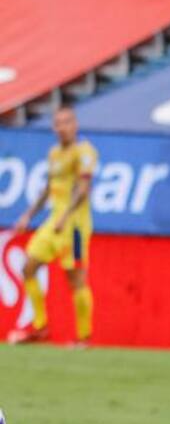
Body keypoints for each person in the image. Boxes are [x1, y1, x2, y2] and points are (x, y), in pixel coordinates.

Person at [8, 105, 97, 346]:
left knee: (75, 279)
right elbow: (48, 189)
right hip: (52, 223)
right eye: (58, 123)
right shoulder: (54, 154)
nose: (62, 128)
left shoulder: (84, 151)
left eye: (66, 122)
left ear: (75, 124)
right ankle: (40, 327)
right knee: (28, 268)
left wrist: (66, 216)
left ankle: (84, 338)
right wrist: (28, 215)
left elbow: (83, 189)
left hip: (74, 226)